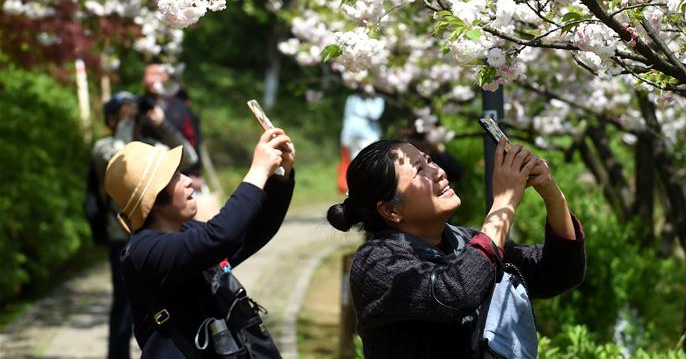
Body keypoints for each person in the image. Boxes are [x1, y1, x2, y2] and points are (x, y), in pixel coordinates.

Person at [327, 136, 585, 358]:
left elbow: (558, 272)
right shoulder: (376, 263)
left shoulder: (464, 241)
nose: (438, 171)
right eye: (419, 170)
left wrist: (551, 193)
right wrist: (503, 204)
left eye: (429, 161)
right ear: (391, 210)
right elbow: (454, 291)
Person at [104, 127, 295, 357]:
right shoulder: (143, 251)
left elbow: (247, 235)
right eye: (174, 176)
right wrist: (258, 170)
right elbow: (220, 236)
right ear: (152, 199)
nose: (187, 181)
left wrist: (279, 178)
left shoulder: (187, 230)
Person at [90, 92, 138, 359]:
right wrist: (124, 128)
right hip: (120, 232)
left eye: (133, 109)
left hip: (152, 232)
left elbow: (188, 159)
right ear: (111, 118)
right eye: (125, 110)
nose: (131, 114)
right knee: (124, 302)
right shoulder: (103, 146)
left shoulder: (146, 142)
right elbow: (119, 163)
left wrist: (161, 123)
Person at [340, 93, 385, 160]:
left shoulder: (378, 100)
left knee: (370, 159)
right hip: (354, 135)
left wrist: (368, 98)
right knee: (354, 159)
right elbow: (347, 117)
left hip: (370, 136)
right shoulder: (353, 98)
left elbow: (375, 115)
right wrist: (345, 137)